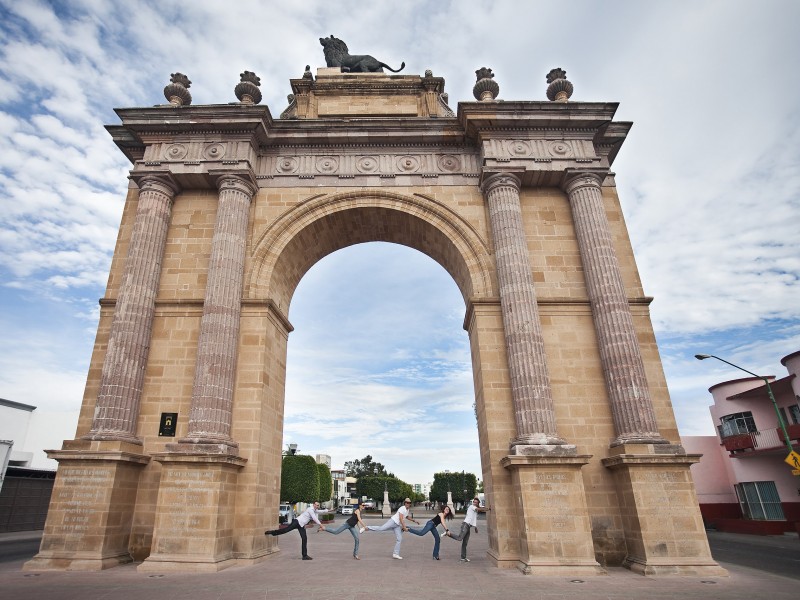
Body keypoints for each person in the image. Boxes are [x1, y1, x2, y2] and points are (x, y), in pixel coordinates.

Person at [443, 497, 488, 562]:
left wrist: (475, 527)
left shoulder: (475, 510)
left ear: (478, 503)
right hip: (465, 525)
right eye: (474, 502)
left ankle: (463, 558)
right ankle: (448, 534)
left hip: (468, 527)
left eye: (476, 502)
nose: (474, 503)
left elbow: (474, 518)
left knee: (465, 543)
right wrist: (488, 509)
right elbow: (479, 509)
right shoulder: (472, 507)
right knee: (459, 538)